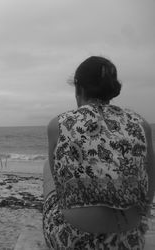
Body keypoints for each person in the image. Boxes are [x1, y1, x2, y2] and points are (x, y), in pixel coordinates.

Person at [43, 56, 155, 249]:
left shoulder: (59, 125)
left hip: (72, 240)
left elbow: (61, 188)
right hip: (127, 240)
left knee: (47, 167)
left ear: (79, 89)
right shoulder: (141, 124)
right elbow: (150, 184)